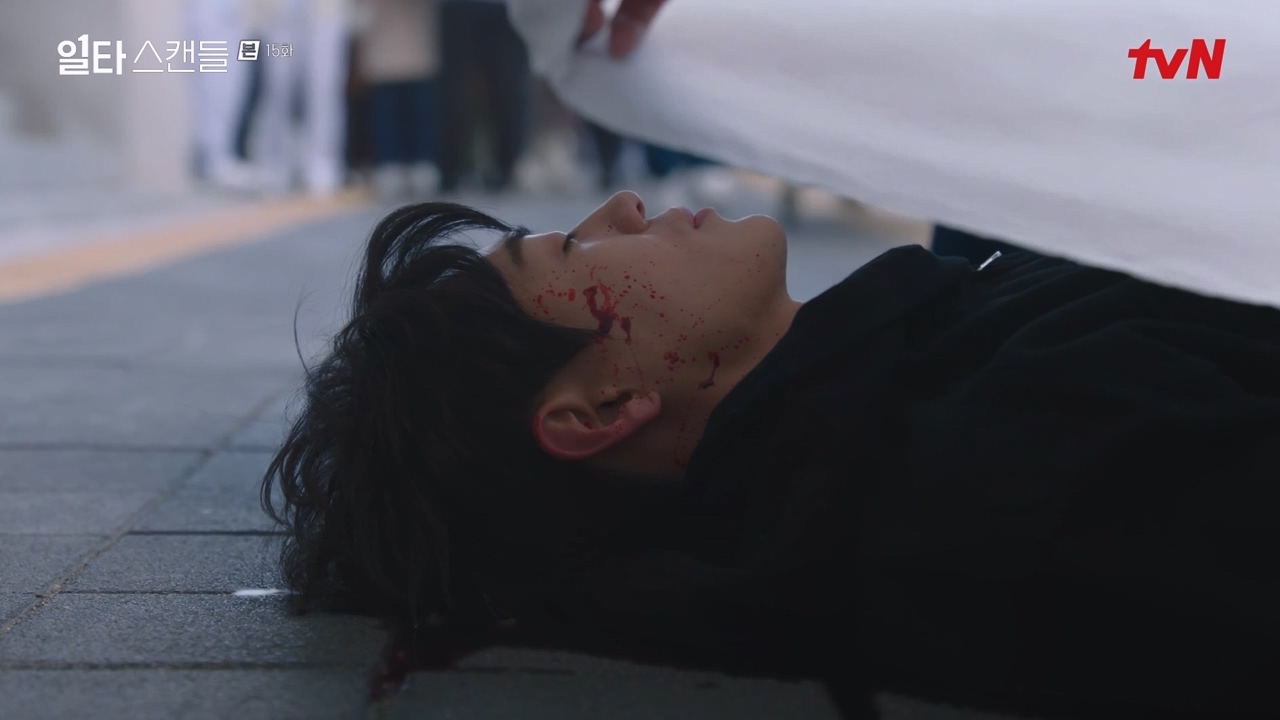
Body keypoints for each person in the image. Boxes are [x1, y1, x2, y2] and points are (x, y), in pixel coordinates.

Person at [265, 188, 1280, 719]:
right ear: (601, 406)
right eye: (573, 248)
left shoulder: (910, 368)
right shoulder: (1020, 472)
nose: (622, 208)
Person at [437, 0, 531, 193]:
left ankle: (505, 167)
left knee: (508, 90)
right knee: (454, 91)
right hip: (458, 8)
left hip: (506, 9)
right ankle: (451, 168)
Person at [354, 0, 442, 200]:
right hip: (381, 41)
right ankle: (389, 164)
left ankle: (422, 163)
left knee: (420, 112)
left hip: (417, 41)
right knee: (386, 115)